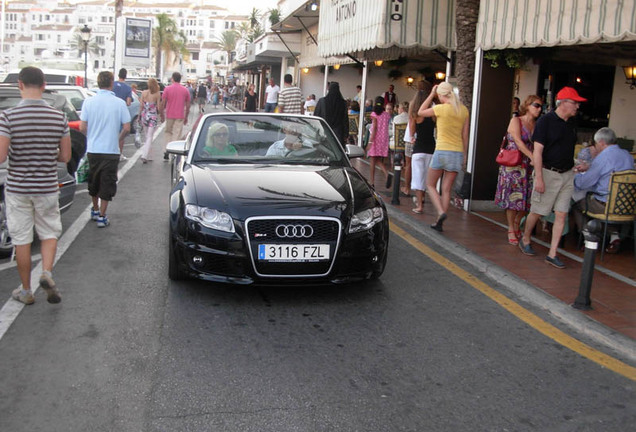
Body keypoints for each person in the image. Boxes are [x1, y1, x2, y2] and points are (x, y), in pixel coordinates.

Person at [0, 66, 70, 305]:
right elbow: (66, 156)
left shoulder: (8, 116)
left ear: (20, 84)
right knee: (50, 233)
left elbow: (1, 156)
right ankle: (47, 273)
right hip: (47, 186)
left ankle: (26, 291)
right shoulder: (58, 116)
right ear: (43, 86)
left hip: (18, 188)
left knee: (22, 239)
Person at [518, 86, 587, 269]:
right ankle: (525, 239)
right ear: (563, 103)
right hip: (548, 173)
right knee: (539, 210)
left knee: (562, 214)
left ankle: (552, 253)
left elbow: (565, 149)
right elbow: (538, 152)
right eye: (575, 103)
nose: (577, 107)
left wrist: (576, 165)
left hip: (567, 174)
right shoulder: (545, 121)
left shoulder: (572, 124)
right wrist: (539, 177)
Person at [80, 70, 131, 228]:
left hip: (93, 149)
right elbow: (127, 127)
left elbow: (82, 126)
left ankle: (94, 210)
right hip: (111, 150)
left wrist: (91, 136)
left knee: (93, 181)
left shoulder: (89, 102)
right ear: (111, 83)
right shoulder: (119, 103)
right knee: (107, 183)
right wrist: (118, 138)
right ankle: (102, 215)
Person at [572, 127, 634, 253]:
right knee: (605, 203)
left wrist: (575, 176)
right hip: (627, 206)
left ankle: (588, 239)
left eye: (595, 144)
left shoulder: (603, 157)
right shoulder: (627, 156)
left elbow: (584, 183)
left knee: (577, 203)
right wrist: (590, 167)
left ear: (601, 142)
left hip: (604, 206)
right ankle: (614, 237)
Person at [418, 82, 470, 232]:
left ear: (441, 95)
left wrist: (431, 94)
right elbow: (465, 135)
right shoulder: (463, 110)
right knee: (446, 189)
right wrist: (464, 155)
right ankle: (439, 221)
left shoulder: (440, 109)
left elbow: (421, 112)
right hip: (457, 152)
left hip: (442, 150)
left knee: (430, 184)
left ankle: (441, 212)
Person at [494, 95, 542, 245]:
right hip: (514, 164)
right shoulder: (516, 121)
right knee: (512, 198)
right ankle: (510, 228)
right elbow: (518, 142)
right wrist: (532, 157)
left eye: (541, 106)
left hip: (528, 166)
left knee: (527, 199)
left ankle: (516, 223)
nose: (539, 109)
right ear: (527, 105)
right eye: (536, 105)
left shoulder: (537, 125)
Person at [408, 84, 436, 213]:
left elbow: (412, 132)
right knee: (427, 178)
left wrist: (413, 137)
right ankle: (423, 198)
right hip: (431, 148)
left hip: (418, 149)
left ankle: (419, 205)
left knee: (418, 178)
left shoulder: (415, 115)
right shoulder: (433, 114)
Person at [159, 72, 190, 160]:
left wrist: (161, 114)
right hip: (180, 115)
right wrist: (186, 116)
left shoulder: (167, 89)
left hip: (169, 114)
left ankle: (166, 150)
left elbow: (163, 103)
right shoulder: (185, 90)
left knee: (168, 132)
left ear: (173, 79)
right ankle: (174, 152)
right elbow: (188, 105)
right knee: (177, 134)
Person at [366, 96, 392, 188]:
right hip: (384, 139)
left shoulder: (374, 114)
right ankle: (386, 173)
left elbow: (375, 128)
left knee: (372, 160)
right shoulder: (386, 115)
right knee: (377, 159)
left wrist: (370, 142)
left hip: (376, 138)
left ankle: (372, 181)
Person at [138, 77, 162, 163]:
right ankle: (145, 155)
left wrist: (139, 116)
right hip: (152, 117)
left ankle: (149, 155)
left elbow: (141, 106)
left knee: (146, 136)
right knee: (150, 136)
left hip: (144, 115)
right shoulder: (157, 94)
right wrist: (161, 114)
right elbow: (159, 107)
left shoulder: (144, 93)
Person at [112, 68, 133, 160]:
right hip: (120, 113)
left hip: (111, 111)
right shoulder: (128, 88)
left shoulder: (112, 84)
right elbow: (128, 103)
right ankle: (119, 154)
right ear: (125, 76)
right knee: (122, 134)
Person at [390, 101, 409, 194]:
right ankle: (404, 162)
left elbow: (393, 132)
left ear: (401, 109)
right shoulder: (410, 118)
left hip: (397, 143)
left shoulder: (396, 118)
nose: (397, 109)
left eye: (398, 108)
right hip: (407, 144)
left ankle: (393, 165)